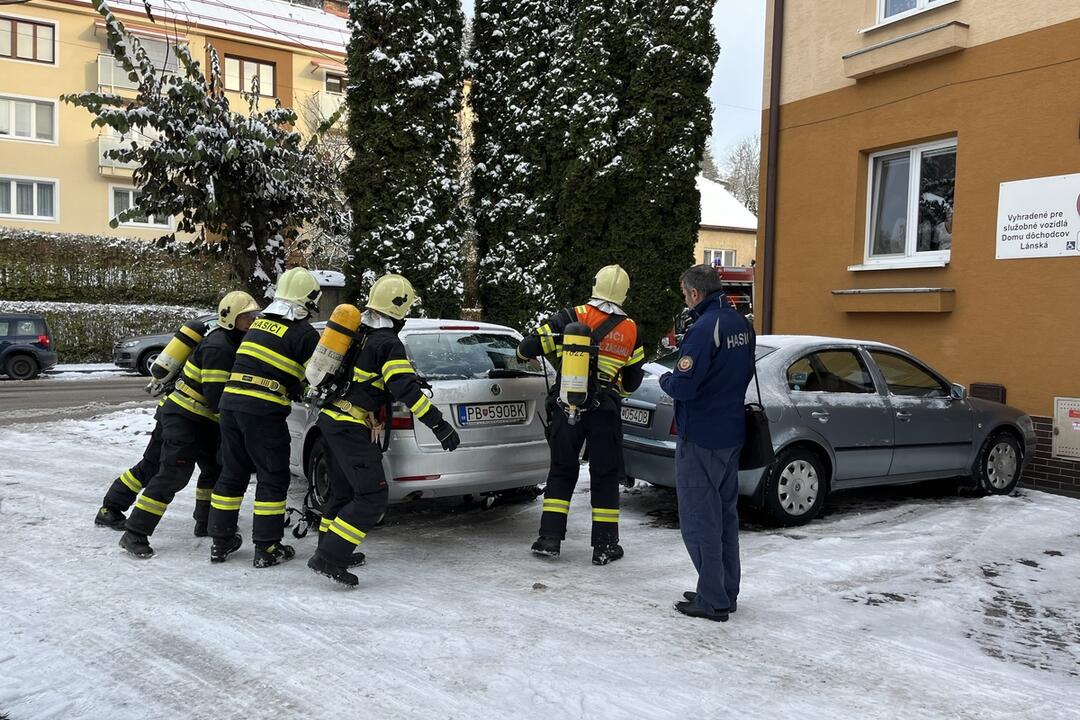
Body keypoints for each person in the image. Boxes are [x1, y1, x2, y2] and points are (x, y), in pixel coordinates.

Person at [307, 274, 461, 587]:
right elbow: (403, 387)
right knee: (372, 495)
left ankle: (329, 547)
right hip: (349, 426)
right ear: (400, 311)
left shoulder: (358, 333)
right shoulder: (388, 343)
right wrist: (439, 425)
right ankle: (329, 557)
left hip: (330, 421)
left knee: (342, 491)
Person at [94, 291, 258, 541]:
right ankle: (135, 533)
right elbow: (217, 399)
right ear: (231, 318)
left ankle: (202, 522)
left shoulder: (231, 342)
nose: (253, 321)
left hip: (190, 416)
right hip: (186, 417)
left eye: (254, 316)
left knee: (211, 469)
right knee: (173, 473)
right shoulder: (220, 347)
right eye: (247, 317)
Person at [519, 264, 645, 565]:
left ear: (595, 284)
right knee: (603, 475)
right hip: (605, 411)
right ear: (624, 293)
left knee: (562, 470)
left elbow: (527, 347)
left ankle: (549, 539)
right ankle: (605, 546)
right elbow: (632, 381)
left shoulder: (572, 316)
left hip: (567, 405)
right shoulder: (632, 330)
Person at [206, 267, 322, 568]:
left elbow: (268, 362)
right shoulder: (304, 333)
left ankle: (220, 541)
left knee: (233, 474)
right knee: (273, 477)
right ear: (308, 300)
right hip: (263, 411)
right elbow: (319, 378)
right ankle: (267, 548)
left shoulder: (259, 325)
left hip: (230, 406)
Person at [659, 264, 755, 622]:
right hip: (731, 433)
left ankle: (712, 599)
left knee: (700, 519)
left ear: (695, 293)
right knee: (724, 516)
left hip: (700, 435)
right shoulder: (741, 324)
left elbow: (684, 385)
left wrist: (667, 379)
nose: (685, 300)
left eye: (685, 294)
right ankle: (724, 589)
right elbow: (744, 373)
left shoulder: (703, 329)